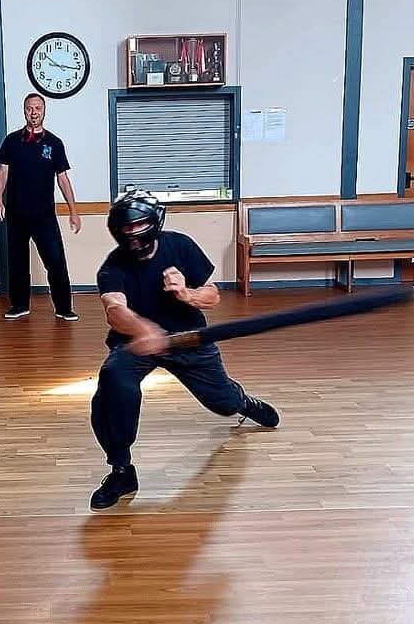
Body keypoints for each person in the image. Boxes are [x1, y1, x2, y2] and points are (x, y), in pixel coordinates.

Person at [89, 189, 279, 510]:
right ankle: (121, 470)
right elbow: (114, 310)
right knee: (113, 380)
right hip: (138, 342)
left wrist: (185, 294)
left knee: (222, 403)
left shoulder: (180, 246)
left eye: (138, 225)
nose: (132, 233)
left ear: (154, 223)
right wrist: (144, 330)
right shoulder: (113, 266)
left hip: (188, 337)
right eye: (125, 228)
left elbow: (212, 296)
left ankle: (241, 402)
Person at [0, 93, 80, 321]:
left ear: (44, 111)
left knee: (56, 261)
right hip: (16, 214)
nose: (34, 112)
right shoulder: (12, 141)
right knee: (17, 263)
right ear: (24, 111)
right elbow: (2, 171)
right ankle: (19, 305)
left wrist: (73, 211)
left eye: (38, 108)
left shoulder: (54, 143)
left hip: (44, 216)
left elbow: (63, 178)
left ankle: (64, 308)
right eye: (30, 108)